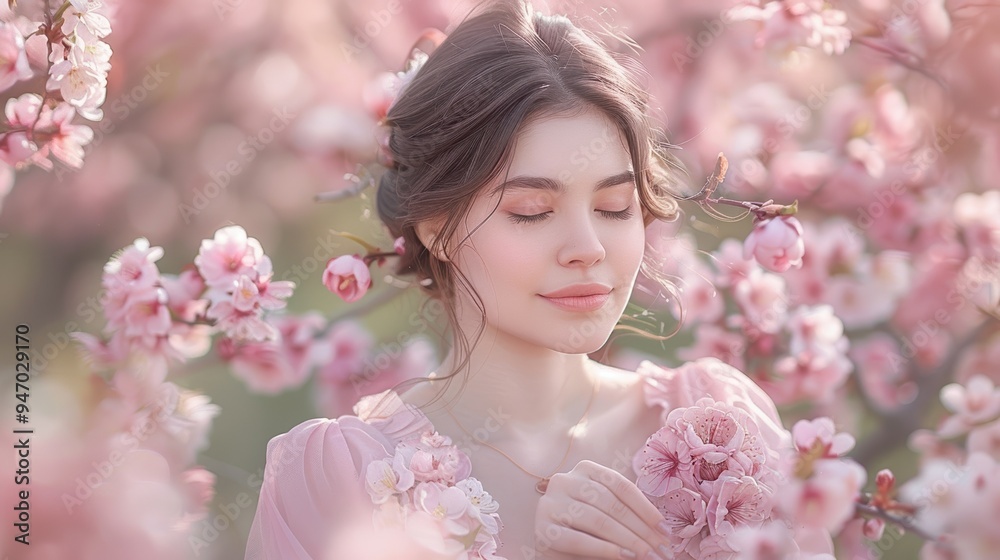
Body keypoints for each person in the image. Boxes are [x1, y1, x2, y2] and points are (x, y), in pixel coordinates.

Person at [245, 1, 825, 559]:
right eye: (531, 210)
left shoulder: (717, 430)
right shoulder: (341, 477)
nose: (587, 248)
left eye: (615, 206)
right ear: (437, 227)